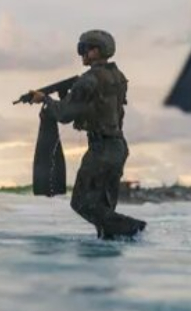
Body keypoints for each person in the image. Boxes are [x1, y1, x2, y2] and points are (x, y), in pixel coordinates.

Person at [29, 30, 146, 239]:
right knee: (103, 211)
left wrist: (44, 99)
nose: (81, 53)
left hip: (101, 150)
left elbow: (64, 114)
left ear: (97, 50)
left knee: (82, 204)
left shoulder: (88, 80)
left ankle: (134, 229)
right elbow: (93, 107)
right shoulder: (117, 77)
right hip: (118, 148)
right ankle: (111, 256)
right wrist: (66, 93)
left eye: (85, 48)